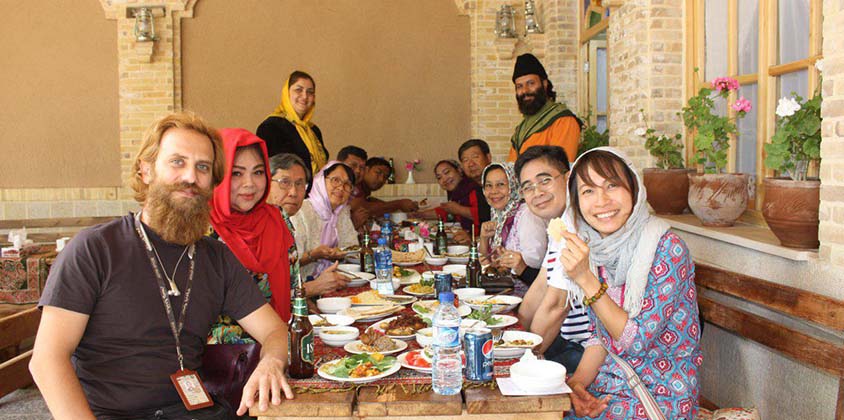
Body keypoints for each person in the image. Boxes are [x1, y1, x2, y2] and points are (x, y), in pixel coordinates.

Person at [30, 112, 293, 419]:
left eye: (203, 167)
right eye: (177, 162)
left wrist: (272, 362)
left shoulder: (216, 258)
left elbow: (275, 330)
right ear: (146, 170)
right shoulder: (95, 249)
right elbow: (47, 360)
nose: (191, 177)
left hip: (195, 412)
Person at [559, 148, 701, 419]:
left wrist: (586, 281)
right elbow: (598, 336)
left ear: (634, 190)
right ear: (576, 203)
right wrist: (577, 386)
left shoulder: (667, 248)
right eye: (588, 191)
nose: (601, 201)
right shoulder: (598, 249)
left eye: (612, 185)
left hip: (660, 396)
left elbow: (634, 342)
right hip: (610, 388)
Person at [207, 128, 295, 348]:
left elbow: (293, 286)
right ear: (219, 175)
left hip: (279, 348)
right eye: (236, 173)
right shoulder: (201, 230)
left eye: (257, 172)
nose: (250, 184)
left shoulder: (277, 218)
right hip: (222, 361)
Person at [514, 145, 589, 374]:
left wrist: (523, 357)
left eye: (545, 180)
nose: (537, 192)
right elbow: (538, 288)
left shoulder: (579, 225)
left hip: (585, 351)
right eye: (528, 187)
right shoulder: (563, 223)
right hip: (565, 342)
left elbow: (557, 306)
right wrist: (513, 338)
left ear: (568, 178)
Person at [267, 153, 350, 298]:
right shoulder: (253, 229)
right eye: (284, 182)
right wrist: (312, 288)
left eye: (299, 184)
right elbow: (255, 298)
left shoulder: (285, 223)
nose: (293, 192)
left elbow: (288, 282)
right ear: (266, 183)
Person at [477, 162, 547, 297]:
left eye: (501, 184)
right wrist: (484, 238)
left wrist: (510, 261)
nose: (494, 191)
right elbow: (484, 259)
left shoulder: (527, 215)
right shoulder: (499, 213)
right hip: (501, 291)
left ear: (514, 185)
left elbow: (536, 262)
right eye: (488, 185)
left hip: (527, 296)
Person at [508, 53, 583, 164]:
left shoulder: (563, 121)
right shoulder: (521, 128)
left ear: (544, 83)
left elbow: (559, 167)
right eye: (519, 86)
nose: (525, 91)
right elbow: (511, 166)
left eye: (531, 83)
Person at [290, 161, 358, 280]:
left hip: (333, 280)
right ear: (321, 180)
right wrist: (314, 255)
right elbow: (289, 263)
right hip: (302, 285)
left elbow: (352, 248)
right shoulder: (300, 211)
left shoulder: (341, 213)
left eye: (347, 184)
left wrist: (341, 255)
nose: (341, 188)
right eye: (335, 180)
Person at [257, 70, 328, 177]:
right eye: (298, 90)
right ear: (287, 93)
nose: (304, 96)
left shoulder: (313, 131)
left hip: (314, 192)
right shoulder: (271, 127)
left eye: (310, 92)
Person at [414, 159, 490, 236]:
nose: (444, 179)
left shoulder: (473, 190)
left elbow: (483, 214)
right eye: (439, 177)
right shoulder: (456, 192)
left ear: (459, 170)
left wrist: (458, 209)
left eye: (447, 172)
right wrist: (416, 215)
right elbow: (445, 211)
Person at [350, 157, 420, 223]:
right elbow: (361, 208)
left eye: (385, 177)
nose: (381, 179)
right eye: (378, 173)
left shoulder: (365, 190)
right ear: (366, 170)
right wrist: (399, 204)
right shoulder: (356, 184)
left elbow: (369, 202)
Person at [337, 146, 371, 229]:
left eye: (362, 168)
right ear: (338, 164)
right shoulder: (330, 191)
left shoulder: (354, 190)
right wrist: (353, 224)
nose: (358, 171)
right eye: (353, 165)